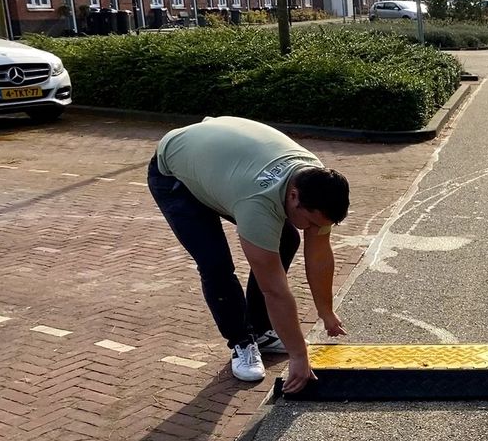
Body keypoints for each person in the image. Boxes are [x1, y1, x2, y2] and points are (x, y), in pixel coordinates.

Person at [148, 116, 350, 393]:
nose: (314, 230)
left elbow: (319, 256)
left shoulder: (317, 182)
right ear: (293, 196)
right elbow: (274, 291)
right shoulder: (257, 204)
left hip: (221, 162)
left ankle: (261, 331)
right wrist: (299, 356)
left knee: (286, 239)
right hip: (175, 174)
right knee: (215, 263)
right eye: (311, 222)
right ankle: (242, 341)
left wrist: (325, 311)